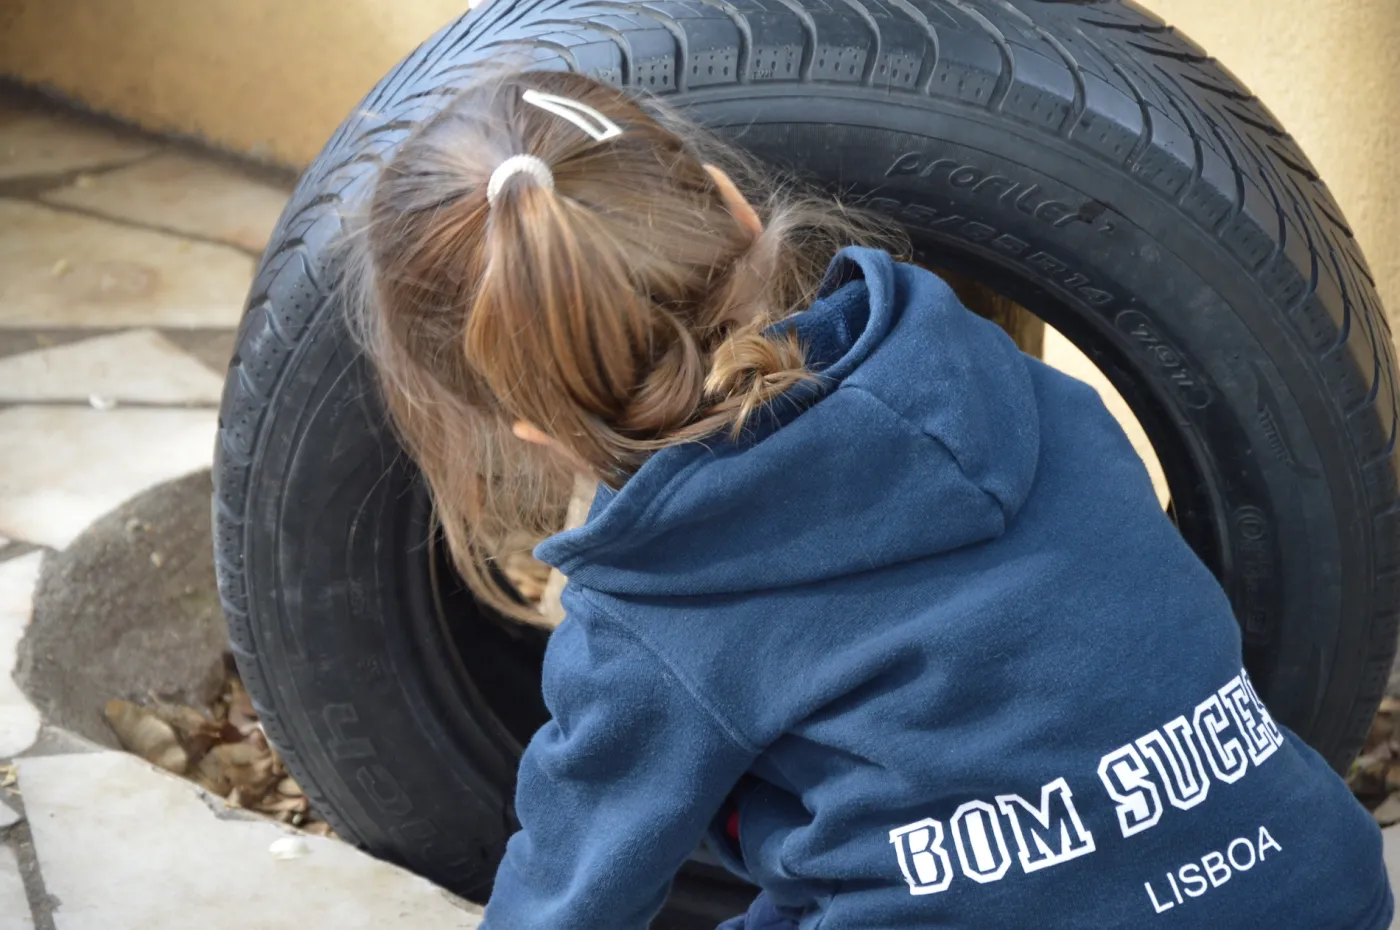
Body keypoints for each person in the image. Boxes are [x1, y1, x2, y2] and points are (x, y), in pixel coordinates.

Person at [345, 69, 1392, 929]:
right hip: (1315, 892)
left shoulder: (652, 619)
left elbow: (566, 901)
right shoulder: (995, 377)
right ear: (737, 205)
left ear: (521, 424)